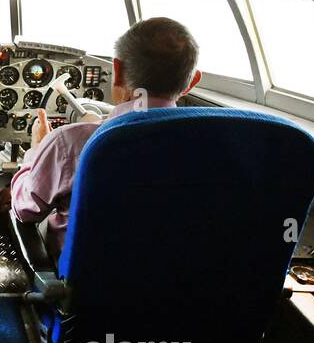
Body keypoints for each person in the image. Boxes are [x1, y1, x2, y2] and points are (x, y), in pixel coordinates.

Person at [11, 17, 202, 257]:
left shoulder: (67, 142)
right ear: (191, 82)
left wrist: (36, 153)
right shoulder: (208, 144)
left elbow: (25, 209)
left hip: (83, 287)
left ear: (118, 71)